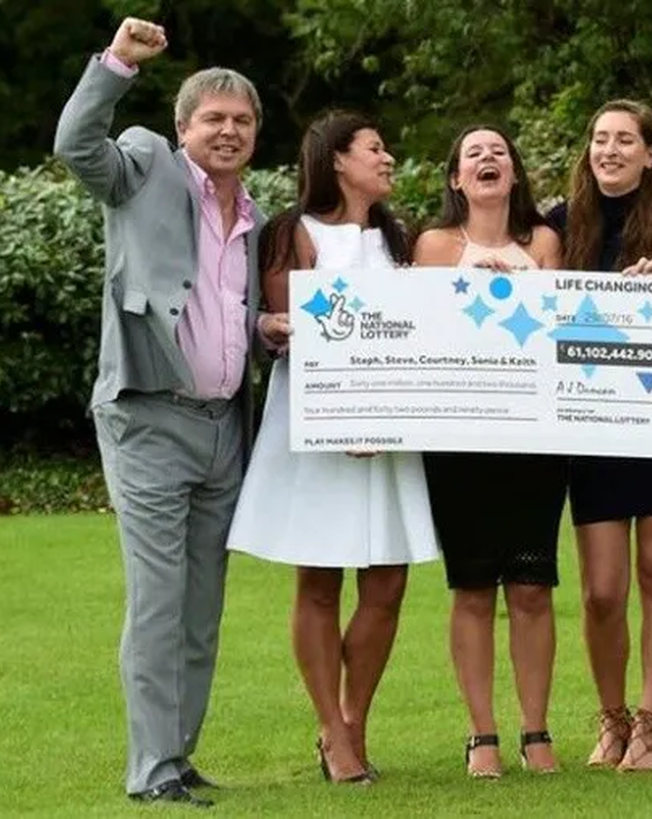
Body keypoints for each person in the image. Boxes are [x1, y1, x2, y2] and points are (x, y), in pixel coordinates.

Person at [54, 17, 288, 807]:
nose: (228, 130)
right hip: (149, 416)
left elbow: (226, 312)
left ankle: (178, 754)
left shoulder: (255, 214)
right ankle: (150, 769)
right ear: (186, 127)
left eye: (242, 120)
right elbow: (77, 147)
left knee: (201, 605)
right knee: (157, 599)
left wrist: (264, 328)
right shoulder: (147, 164)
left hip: (225, 425)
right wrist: (119, 62)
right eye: (213, 118)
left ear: (256, 134)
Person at [226, 110, 439, 785]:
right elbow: (295, 330)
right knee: (318, 578)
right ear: (337, 159)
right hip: (317, 426)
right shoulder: (296, 232)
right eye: (375, 147)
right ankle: (331, 729)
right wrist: (344, 415)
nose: (388, 157)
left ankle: (354, 719)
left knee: (389, 580)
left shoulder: (397, 238)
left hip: (389, 432)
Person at [546, 100, 652, 771]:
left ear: (650, 154)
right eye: (600, 139)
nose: (610, 150)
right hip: (591, 426)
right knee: (602, 589)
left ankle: (650, 724)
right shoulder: (559, 223)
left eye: (625, 140)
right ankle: (609, 719)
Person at [413, 126, 566, 778]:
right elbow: (420, 333)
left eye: (498, 151)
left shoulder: (545, 242)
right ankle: (482, 735)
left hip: (535, 440)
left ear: (514, 172)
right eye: (473, 152)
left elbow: (559, 325)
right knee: (473, 588)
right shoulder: (434, 245)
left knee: (532, 587)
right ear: (455, 178)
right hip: (459, 443)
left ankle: (536, 730)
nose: (487, 158)